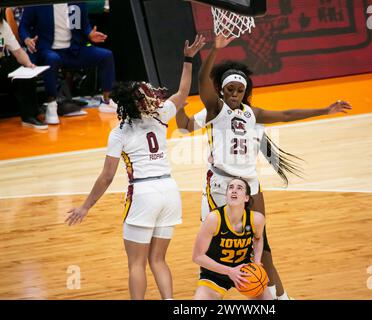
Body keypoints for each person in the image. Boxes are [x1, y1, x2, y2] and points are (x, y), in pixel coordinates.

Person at [177, 34, 352, 300]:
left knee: (263, 246)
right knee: (219, 241)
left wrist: (324, 110)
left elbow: (286, 115)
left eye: (239, 90)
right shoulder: (215, 110)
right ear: (221, 91)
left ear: (245, 92)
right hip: (221, 185)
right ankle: (215, 286)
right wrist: (215, 50)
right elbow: (202, 85)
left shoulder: (252, 114)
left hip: (251, 184)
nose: (234, 94)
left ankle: (281, 297)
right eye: (229, 89)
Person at [65, 35, 206, 300]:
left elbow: (107, 177)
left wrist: (86, 206)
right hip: (169, 191)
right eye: (148, 92)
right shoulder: (160, 116)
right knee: (158, 261)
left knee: (136, 264)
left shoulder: (119, 133)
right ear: (142, 101)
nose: (153, 93)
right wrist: (188, 59)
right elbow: (183, 92)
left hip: (144, 194)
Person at [19, 2, 117, 125]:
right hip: (48, 50)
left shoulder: (77, 3)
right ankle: (51, 106)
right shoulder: (38, 3)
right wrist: (27, 39)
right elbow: (23, 26)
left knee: (106, 55)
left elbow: (84, 26)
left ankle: (107, 101)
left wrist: (89, 34)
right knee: (52, 59)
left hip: (73, 50)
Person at [192, 177, 271, 300]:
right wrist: (229, 271)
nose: (234, 191)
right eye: (231, 188)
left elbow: (258, 238)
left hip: (244, 271)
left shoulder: (256, 219)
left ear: (246, 198)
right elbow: (197, 257)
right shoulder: (214, 219)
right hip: (215, 273)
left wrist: (256, 261)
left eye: (239, 188)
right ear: (226, 195)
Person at [0, 8, 47, 129]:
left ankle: (29, 116)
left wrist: (29, 64)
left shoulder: (3, 25)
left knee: (25, 71)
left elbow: (18, 51)